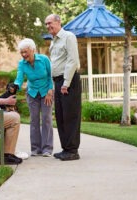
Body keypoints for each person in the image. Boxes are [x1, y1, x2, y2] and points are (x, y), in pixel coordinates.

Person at [45, 14, 82, 161]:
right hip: (58, 81)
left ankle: (73, 150)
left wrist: (66, 83)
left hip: (69, 82)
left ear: (58, 22)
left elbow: (72, 60)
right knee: (60, 116)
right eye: (46, 24)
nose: (48, 26)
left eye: (50, 23)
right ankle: (66, 148)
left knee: (70, 115)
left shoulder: (69, 37)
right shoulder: (53, 41)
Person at [14, 38, 54, 157]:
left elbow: (51, 75)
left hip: (46, 92)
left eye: (26, 52)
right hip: (32, 93)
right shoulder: (22, 63)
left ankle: (47, 148)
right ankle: (35, 148)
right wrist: (15, 86)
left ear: (33, 50)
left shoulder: (44, 59)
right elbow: (19, 78)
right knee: (34, 120)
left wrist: (50, 90)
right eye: (22, 52)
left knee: (46, 118)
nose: (24, 55)